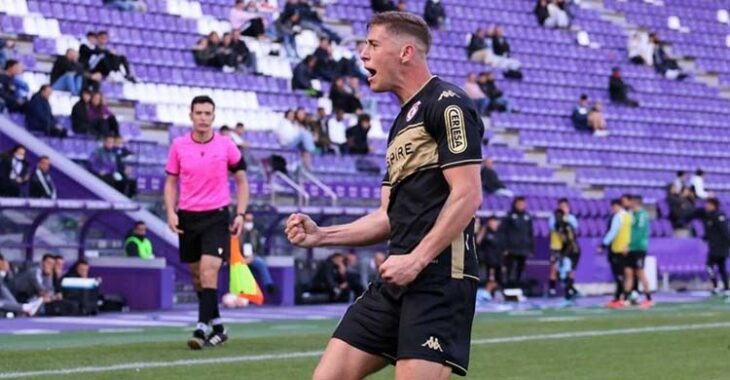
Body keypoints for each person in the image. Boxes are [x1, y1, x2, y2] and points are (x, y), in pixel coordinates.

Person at [285, 11, 484, 379]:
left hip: (439, 277)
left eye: (373, 44)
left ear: (406, 52)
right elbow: (387, 216)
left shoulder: (448, 102)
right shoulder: (400, 124)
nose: (363, 54)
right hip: (396, 274)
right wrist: (323, 236)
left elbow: (468, 194)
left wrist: (418, 260)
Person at [164, 95, 249, 349]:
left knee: (208, 270)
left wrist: (241, 213)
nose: (203, 117)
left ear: (213, 116)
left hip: (217, 215)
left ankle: (201, 329)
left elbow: (242, 180)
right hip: (188, 216)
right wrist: (170, 211)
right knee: (198, 277)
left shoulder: (226, 146)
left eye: (207, 113)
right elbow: (170, 182)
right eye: (198, 113)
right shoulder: (178, 146)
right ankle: (219, 327)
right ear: (191, 116)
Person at [599, 199, 632, 308]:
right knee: (624, 274)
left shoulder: (618, 217)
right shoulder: (629, 216)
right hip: (626, 248)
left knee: (618, 274)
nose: (612, 210)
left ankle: (620, 297)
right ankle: (622, 296)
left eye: (613, 207)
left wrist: (603, 244)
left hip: (617, 248)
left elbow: (613, 231)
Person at [695, 198, 730, 296]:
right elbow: (711, 232)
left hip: (719, 247)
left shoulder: (719, 216)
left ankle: (717, 285)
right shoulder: (710, 216)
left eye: (708, 204)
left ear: (713, 205)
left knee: (710, 265)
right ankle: (725, 287)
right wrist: (705, 237)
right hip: (715, 246)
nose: (707, 206)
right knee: (721, 267)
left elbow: (725, 232)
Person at [500, 197, 534, 288]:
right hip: (511, 248)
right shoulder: (509, 216)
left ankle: (518, 285)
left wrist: (530, 248)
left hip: (523, 248)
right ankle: (507, 286)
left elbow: (530, 233)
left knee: (520, 268)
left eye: (523, 204)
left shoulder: (528, 217)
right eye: (519, 204)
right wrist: (505, 247)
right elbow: (504, 232)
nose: (521, 206)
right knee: (510, 268)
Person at [547, 198, 579, 298]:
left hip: (568, 247)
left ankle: (570, 288)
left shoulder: (571, 218)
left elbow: (575, 228)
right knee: (554, 267)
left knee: (569, 268)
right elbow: (553, 227)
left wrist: (566, 218)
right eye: (561, 206)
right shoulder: (554, 218)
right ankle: (552, 289)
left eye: (564, 206)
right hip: (556, 246)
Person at [625, 195, 653, 308]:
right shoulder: (633, 215)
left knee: (640, 273)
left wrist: (629, 244)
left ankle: (648, 298)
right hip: (632, 248)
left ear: (635, 203)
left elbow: (639, 233)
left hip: (638, 248)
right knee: (628, 272)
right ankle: (627, 297)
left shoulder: (642, 215)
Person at [240, 212, 276, 294]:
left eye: (251, 220)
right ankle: (241, 290)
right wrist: (242, 259)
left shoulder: (255, 233)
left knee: (260, 263)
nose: (249, 223)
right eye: (247, 220)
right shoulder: (238, 233)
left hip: (252, 257)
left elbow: (259, 248)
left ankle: (269, 285)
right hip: (239, 257)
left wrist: (252, 257)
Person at [476, 216, 504, 300]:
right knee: (486, 279)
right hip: (486, 261)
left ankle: (496, 294)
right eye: (492, 222)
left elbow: (504, 249)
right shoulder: (485, 232)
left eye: (495, 221)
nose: (493, 224)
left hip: (498, 261)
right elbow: (478, 241)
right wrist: (483, 229)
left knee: (497, 280)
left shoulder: (501, 234)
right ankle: (484, 295)